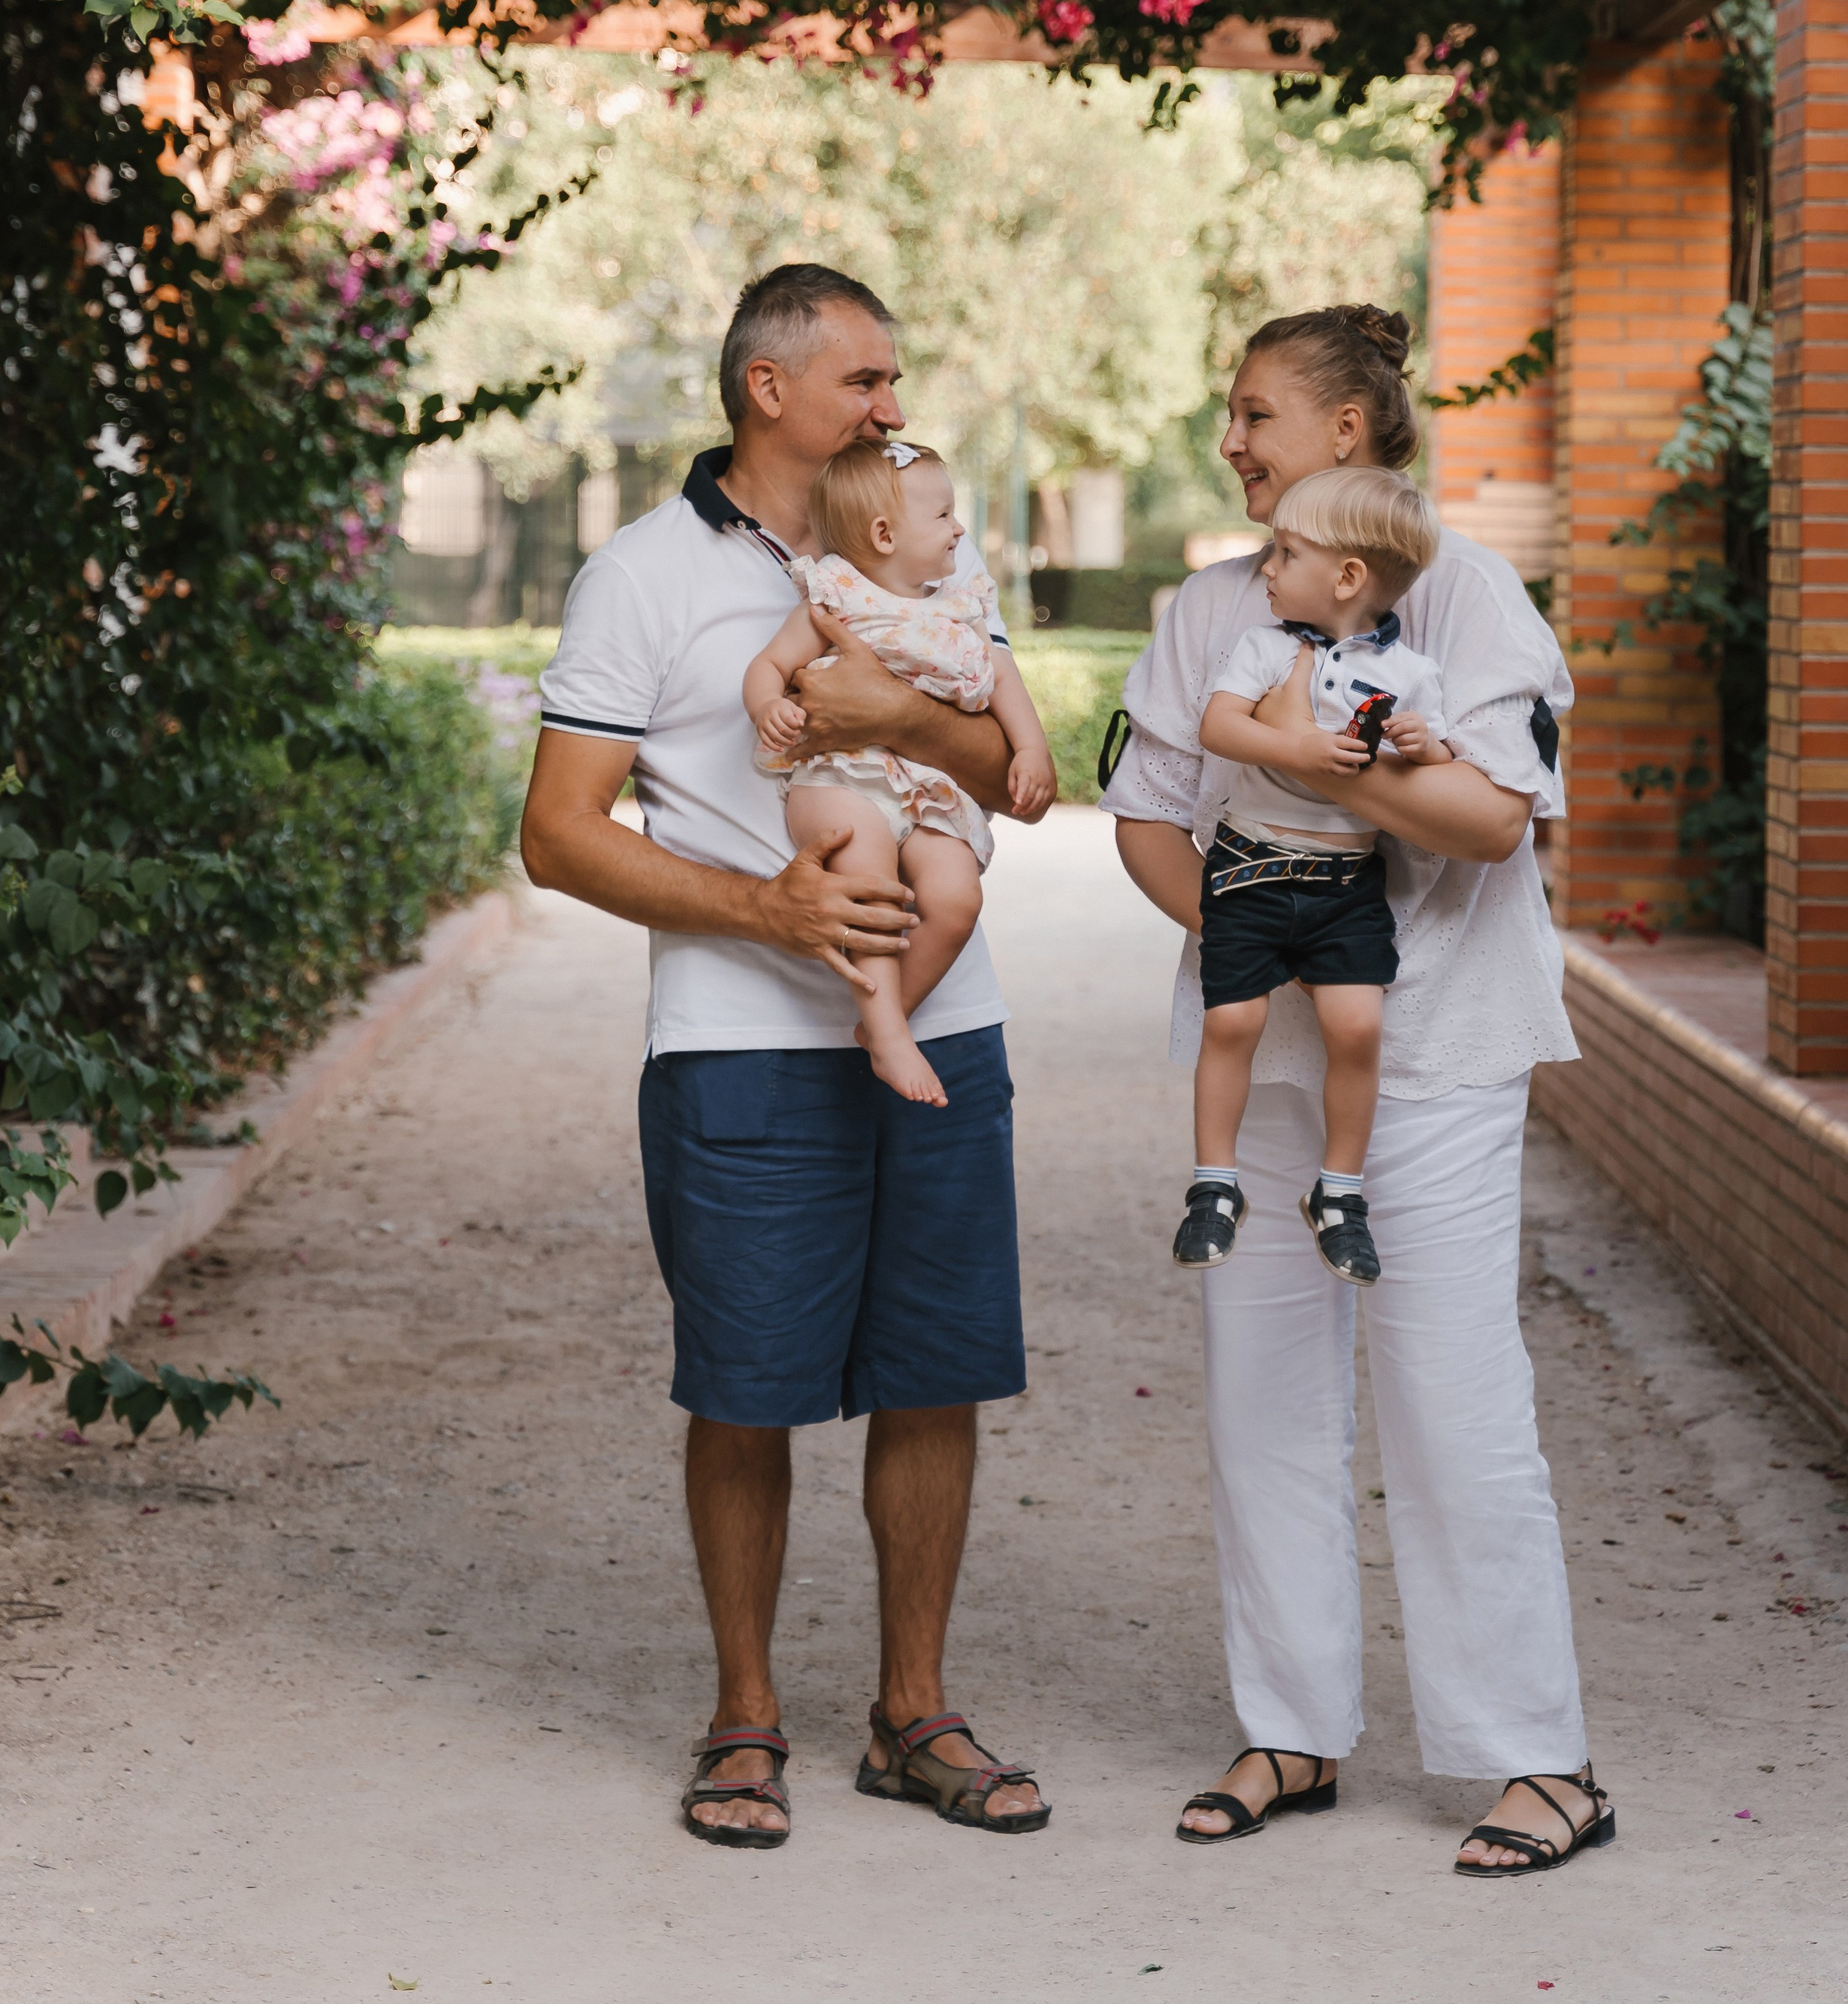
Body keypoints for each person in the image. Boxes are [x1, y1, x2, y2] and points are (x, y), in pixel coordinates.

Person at [520, 264, 1052, 1850]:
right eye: (863, 382)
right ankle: (741, 1719)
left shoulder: (926, 542)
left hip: (945, 1021)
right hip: (737, 1047)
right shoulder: (638, 574)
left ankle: (913, 1714)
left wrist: (899, 704)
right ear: (769, 390)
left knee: (937, 1370)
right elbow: (555, 838)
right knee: (744, 1388)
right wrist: (766, 907)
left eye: (894, 382)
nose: (892, 408)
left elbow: (1011, 777)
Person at [1105, 303, 1613, 1878]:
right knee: (1259, 1394)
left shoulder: (1470, 600)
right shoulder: (1206, 609)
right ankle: (1291, 1726)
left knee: (1449, 1398)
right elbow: (1144, 812)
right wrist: (1250, 946)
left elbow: (1485, 822)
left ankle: (1533, 1763)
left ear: (1343, 435)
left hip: (1437, 1056)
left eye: (1254, 412)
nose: (1231, 440)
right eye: (1229, 412)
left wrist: (1335, 767)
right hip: (1259, 1064)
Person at [1177, 465, 1452, 1290]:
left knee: (1359, 1028)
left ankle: (1339, 1193)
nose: (1266, 566)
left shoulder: (1411, 674)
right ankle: (1213, 1182)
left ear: (1346, 578)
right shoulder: (1265, 646)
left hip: (1344, 885)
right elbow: (1219, 724)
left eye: (1284, 551)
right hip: (1252, 868)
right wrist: (1295, 745)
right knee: (1229, 1022)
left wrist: (1421, 747)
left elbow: (1440, 760)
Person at [745, 436, 1055, 1106]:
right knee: (874, 885)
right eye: (944, 515)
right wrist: (769, 704)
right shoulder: (837, 597)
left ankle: (883, 1020)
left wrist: (1029, 748)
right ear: (884, 534)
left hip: (928, 787)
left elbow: (999, 672)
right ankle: (890, 1036)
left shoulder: (958, 600)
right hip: (843, 780)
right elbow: (770, 665)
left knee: (956, 897)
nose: (960, 528)